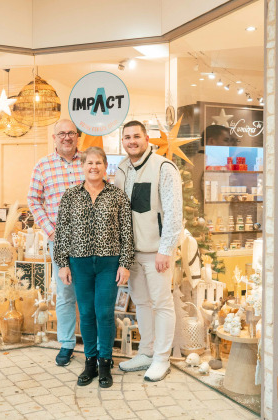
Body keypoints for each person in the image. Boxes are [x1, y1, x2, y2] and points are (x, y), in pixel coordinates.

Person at [54, 147, 134, 388]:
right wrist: (63, 264)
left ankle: (105, 361)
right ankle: (90, 361)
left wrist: (125, 263)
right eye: (89, 162)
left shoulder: (117, 196)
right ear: (83, 165)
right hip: (80, 262)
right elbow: (62, 232)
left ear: (105, 165)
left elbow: (127, 232)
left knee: (104, 313)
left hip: (109, 262)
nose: (94, 167)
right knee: (87, 313)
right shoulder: (70, 196)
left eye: (98, 162)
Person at [115, 120, 183, 382]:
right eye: (127, 137)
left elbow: (174, 215)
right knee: (142, 303)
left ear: (146, 139)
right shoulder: (121, 168)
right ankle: (146, 352)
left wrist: (165, 250)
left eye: (136, 136)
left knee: (161, 304)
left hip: (156, 253)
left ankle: (162, 359)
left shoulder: (164, 167)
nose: (131, 141)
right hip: (131, 253)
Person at [27, 119, 84, 366]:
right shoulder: (42, 166)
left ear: (77, 136)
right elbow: (33, 200)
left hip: (90, 241)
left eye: (71, 133)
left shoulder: (89, 162)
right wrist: (51, 232)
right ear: (54, 138)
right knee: (65, 294)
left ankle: (94, 347)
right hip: (59, 240)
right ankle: (67, 344)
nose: (66, 137)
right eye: (61, 133)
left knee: (91, 294)